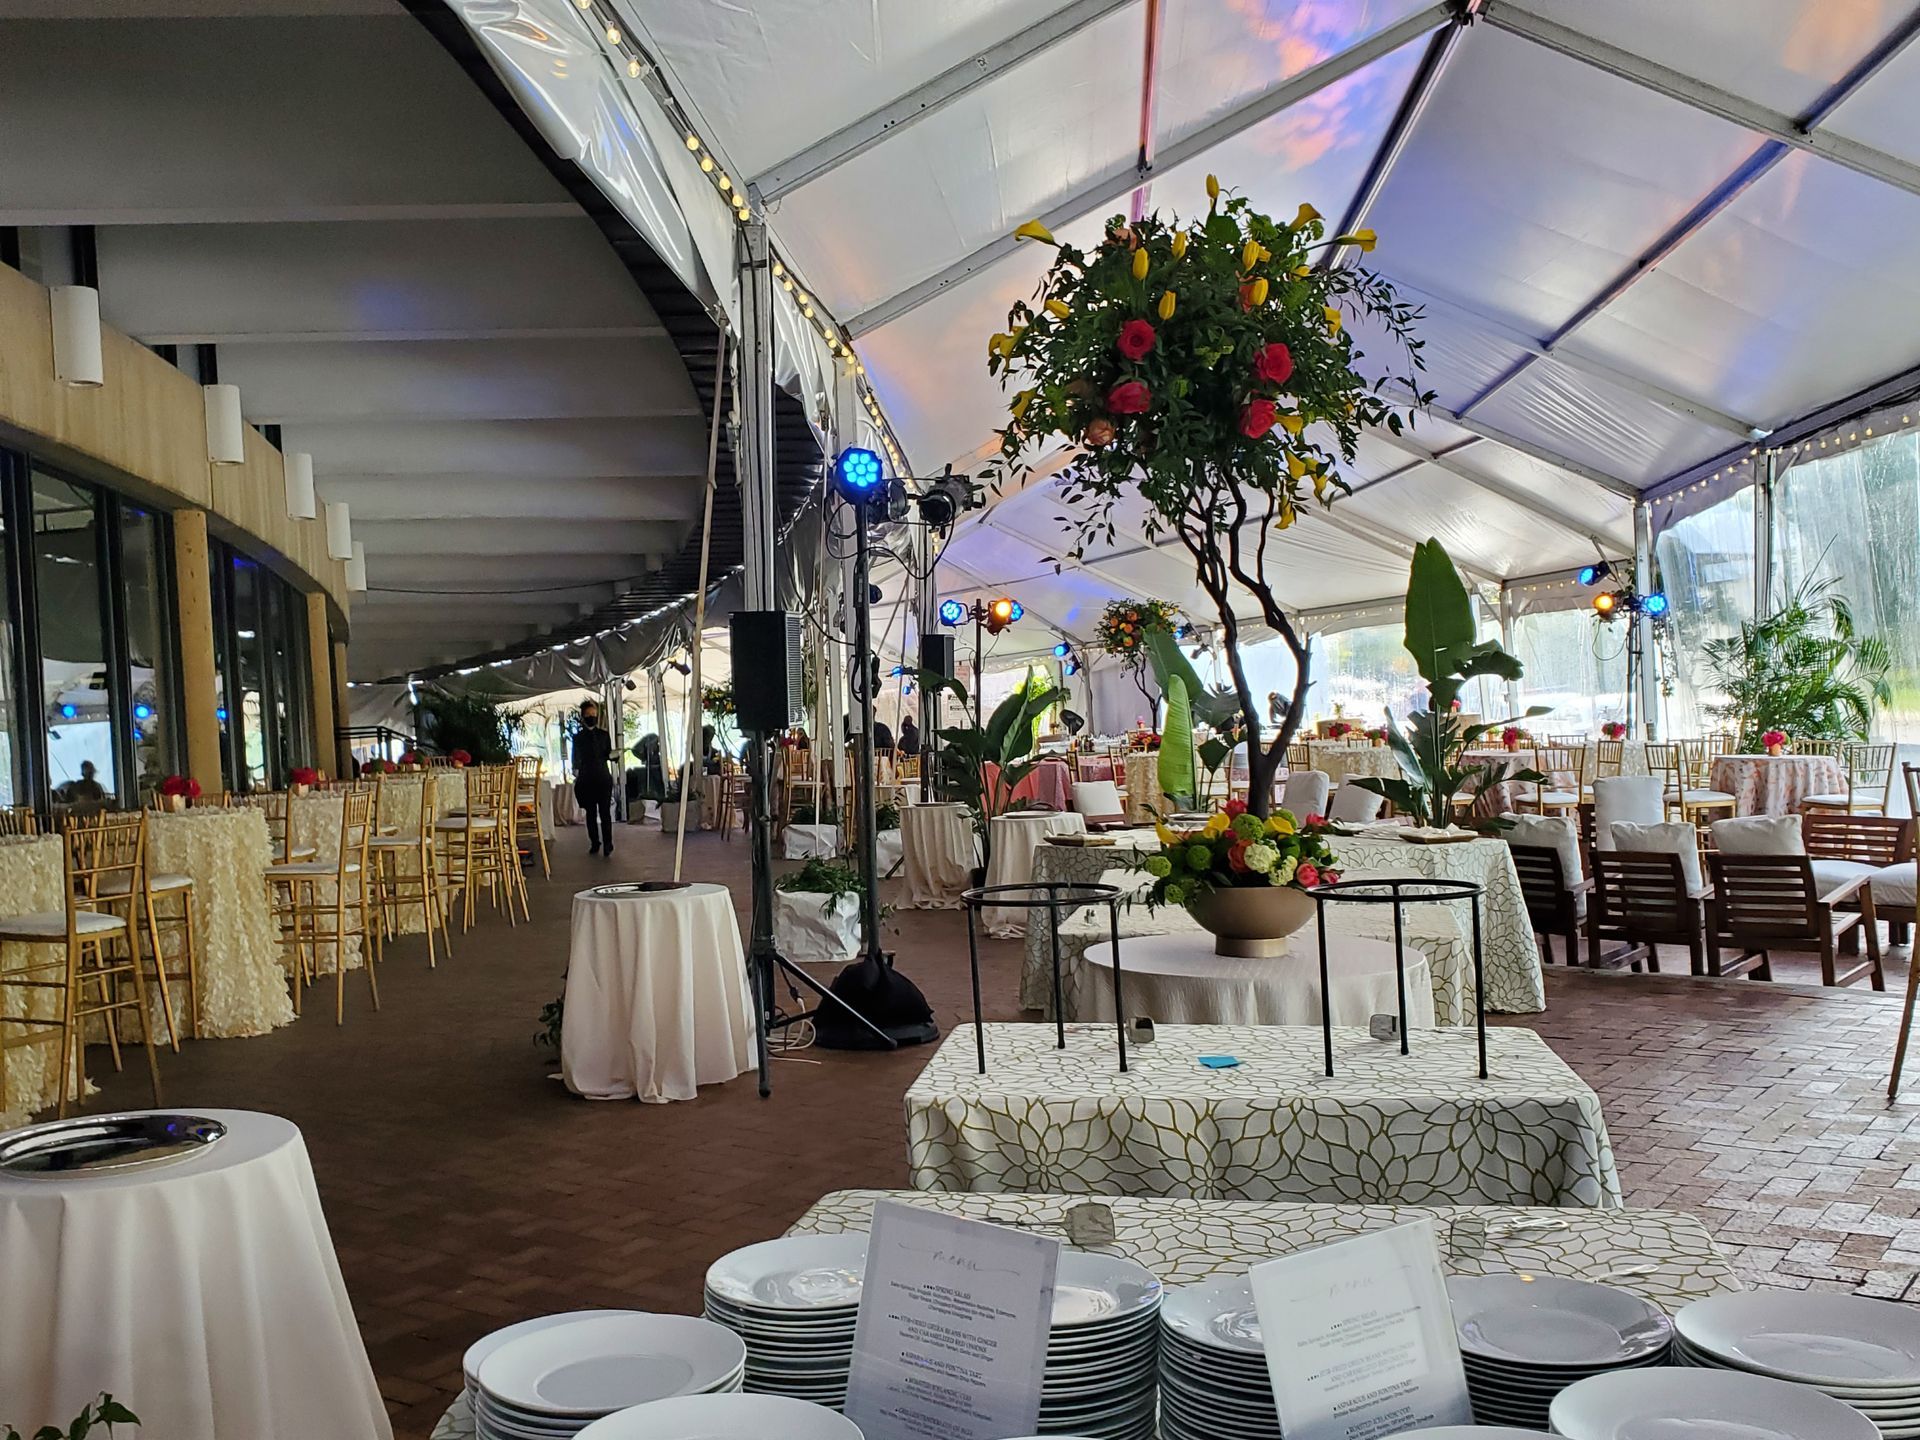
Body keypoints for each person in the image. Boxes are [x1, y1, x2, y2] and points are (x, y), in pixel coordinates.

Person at [572, 700, 615, 857]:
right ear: (583, 716)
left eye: (594, 714)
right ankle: (595, 842)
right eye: (589, 715)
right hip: (587, 779)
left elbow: (608, 754)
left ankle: (608, 844)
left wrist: (614, 756)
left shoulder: (604, 735)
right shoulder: (578, 738)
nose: (592, 717)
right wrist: (576, 771)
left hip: (603, 778)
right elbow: (575, 759)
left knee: (605, 813)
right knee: (591, 813)